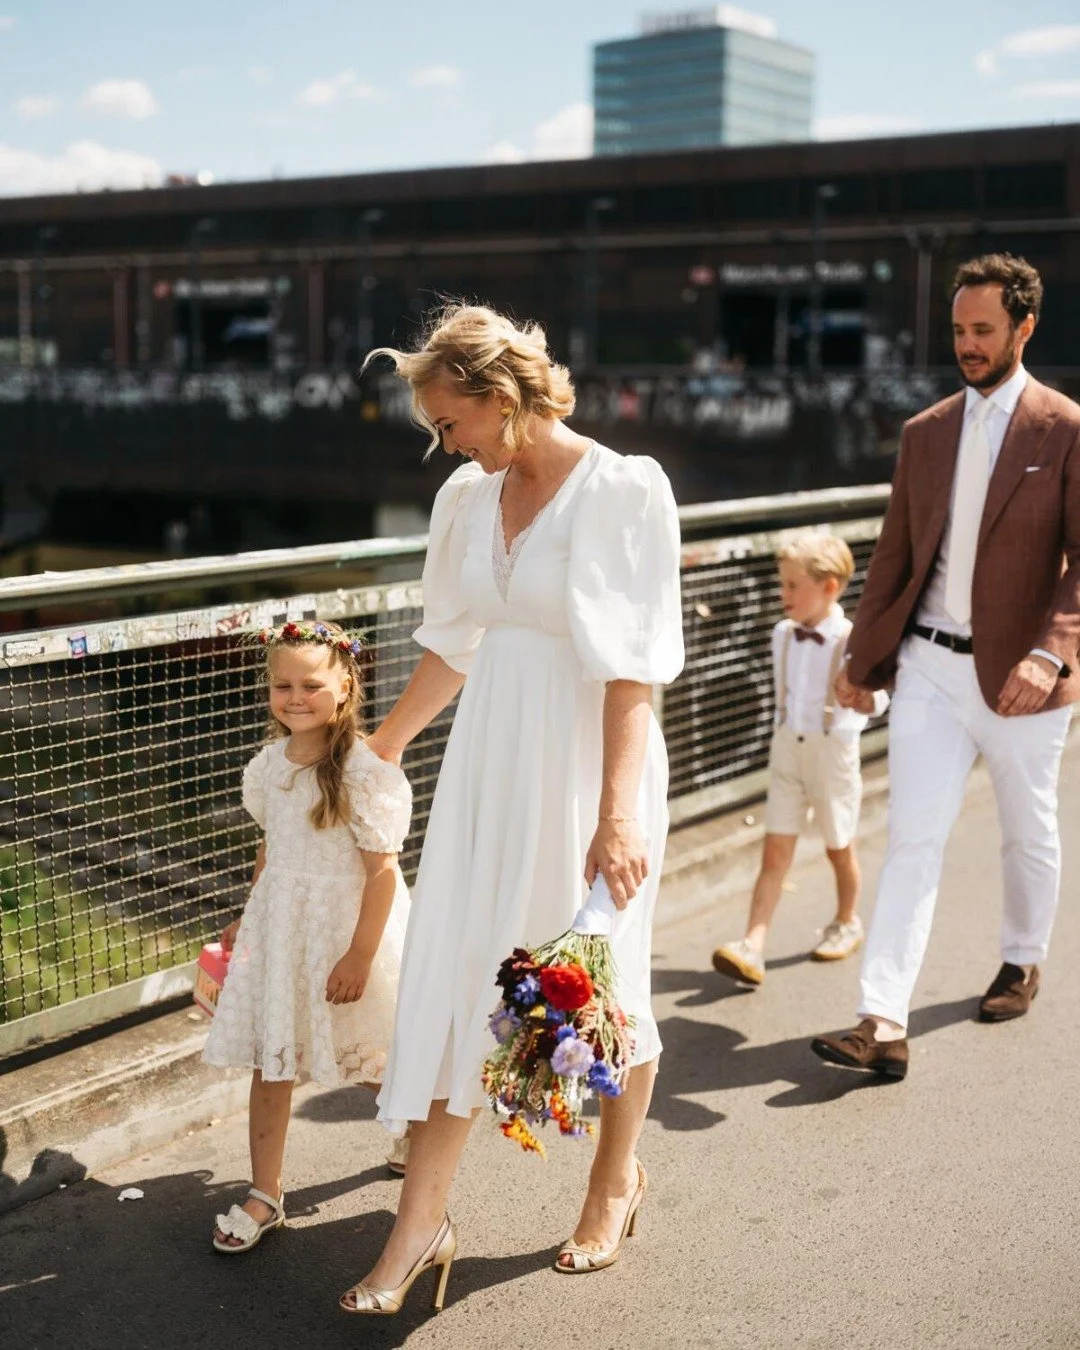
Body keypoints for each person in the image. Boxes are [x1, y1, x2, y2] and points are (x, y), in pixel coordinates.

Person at [337, 302, 683, 1317]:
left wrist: (617, 817)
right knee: (462, 975)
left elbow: (631, 671)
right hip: (489, 762)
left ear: (500, 398)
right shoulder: (464, 497)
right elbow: (453, 646)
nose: (446, 443)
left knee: (594, 981)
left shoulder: (622, 489)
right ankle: (419, 1227)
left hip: (591, 766)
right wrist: (380, 747)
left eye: (451, 422)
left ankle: (613, 1184)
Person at [812, 253, 1080, 1081]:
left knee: (1026, 831)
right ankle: (881, 1021)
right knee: (912, 840)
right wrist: (861, 659)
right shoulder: (924, 433)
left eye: (983, 330)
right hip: (929, 665)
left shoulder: (1065, 427)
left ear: (1024, 328)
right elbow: (895, 554)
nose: (967, 344)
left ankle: (1022, 958)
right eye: (959, 329)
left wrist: (1050, 654)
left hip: (1024, 678)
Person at [202, 620, 412, 1250]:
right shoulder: (269, 766)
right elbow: (272, 847)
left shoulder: (363, 771)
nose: (296, 698)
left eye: (312, 685)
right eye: (283, 685)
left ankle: (416, 1135)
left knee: (370, 1057)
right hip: (283, 934)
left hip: (346, 934)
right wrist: (252, 912)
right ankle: (265, 1193)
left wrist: (360, 955)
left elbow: (382, 873)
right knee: (272, 1060)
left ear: (345, 686)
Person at [711, 533, 888, 987]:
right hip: (788, 746)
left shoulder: (853, 639)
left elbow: (881, 698)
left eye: (793, 585)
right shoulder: (782, 635)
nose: (782, 594)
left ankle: (847, 921)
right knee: (775, 850)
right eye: (782, 584)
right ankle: (752, 944)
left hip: (833, 751)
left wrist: (862, 699)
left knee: (838, 846)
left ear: (828, 587)